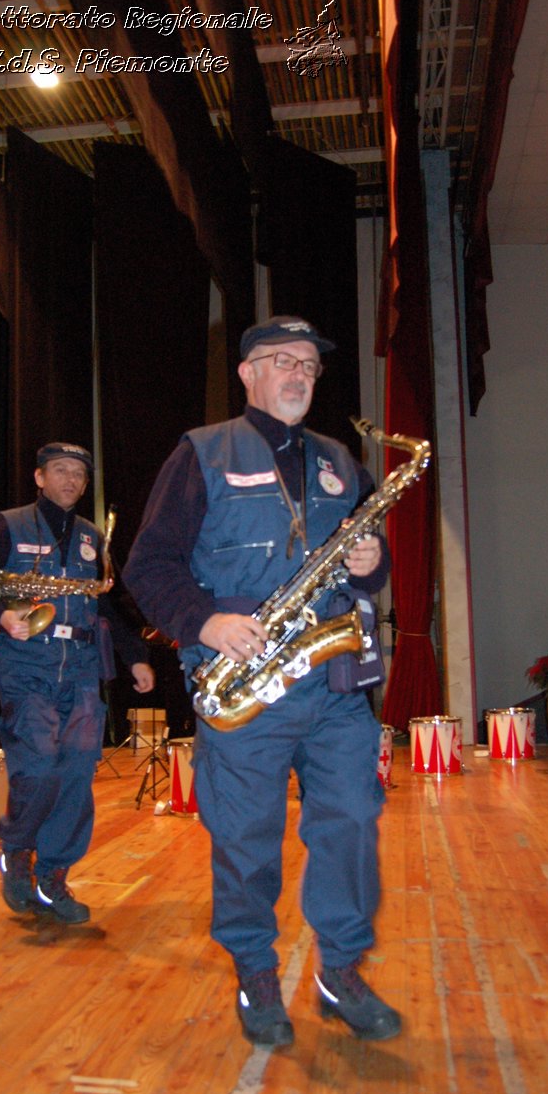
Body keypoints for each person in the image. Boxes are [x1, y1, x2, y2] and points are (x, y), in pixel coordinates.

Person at [124, 316, 401, 1047]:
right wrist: (203, 622)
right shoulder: (202, 452)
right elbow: (148, 567)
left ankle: (339, 970)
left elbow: (373, 569)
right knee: (246, 837)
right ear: (247, 373)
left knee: (349, 822)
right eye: (282, 360)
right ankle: (253, 969)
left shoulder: (342, 459)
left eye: (309, 364)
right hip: (243, 677)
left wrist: (374, 569)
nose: (298, 374)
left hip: (334, 681)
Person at [0, 443, 155, 924]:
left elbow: (109, 605)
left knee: (76, 772)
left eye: (79, 473)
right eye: (61, 470)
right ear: (39, 477)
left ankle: (54, 875)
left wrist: (136, 656)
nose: (71, 480)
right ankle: (17, 853)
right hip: (25, 665)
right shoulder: (7, 525)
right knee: (36, 767)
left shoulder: (92, 538)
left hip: (79, 668)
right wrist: (0, 615)